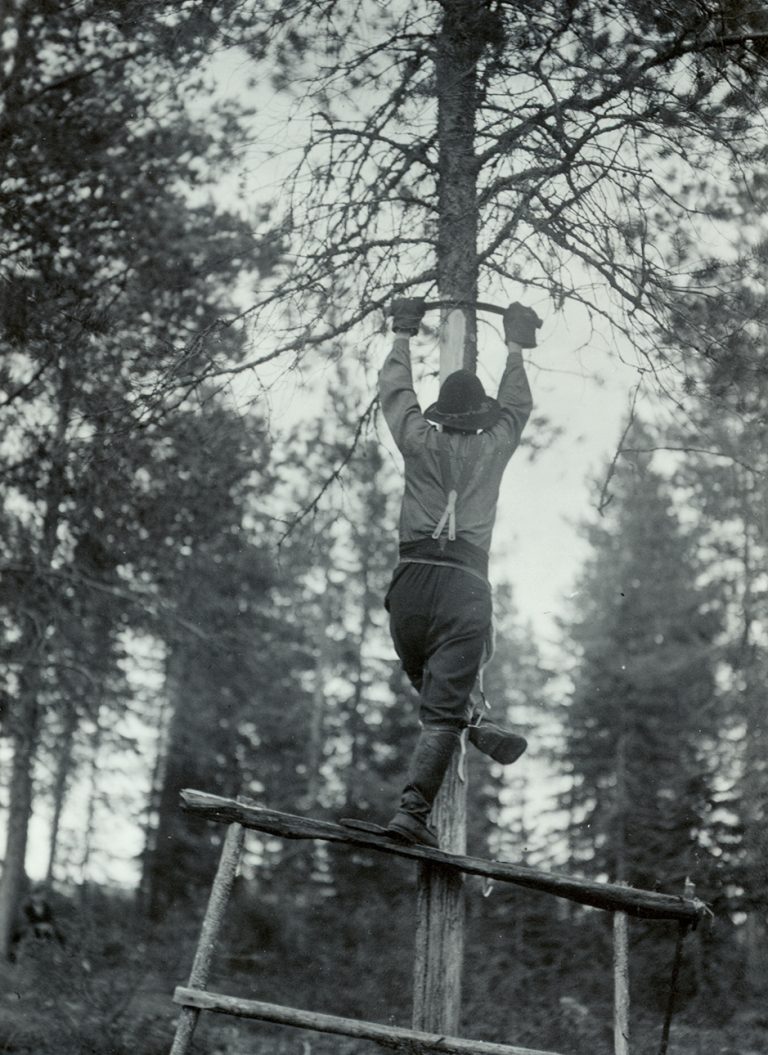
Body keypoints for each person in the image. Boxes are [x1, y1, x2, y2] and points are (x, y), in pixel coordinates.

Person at [378, 297, 540, 847]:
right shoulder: (493, 448)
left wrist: (402, 334)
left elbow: (396, 396)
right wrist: (515, 347)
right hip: (464, 589)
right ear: (479, 418)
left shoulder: (419, 441)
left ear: (442, 414)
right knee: (440, 712)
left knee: (429, 683)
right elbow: (516, 407)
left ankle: (474, 721)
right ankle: (412, 814)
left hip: (411, 585)